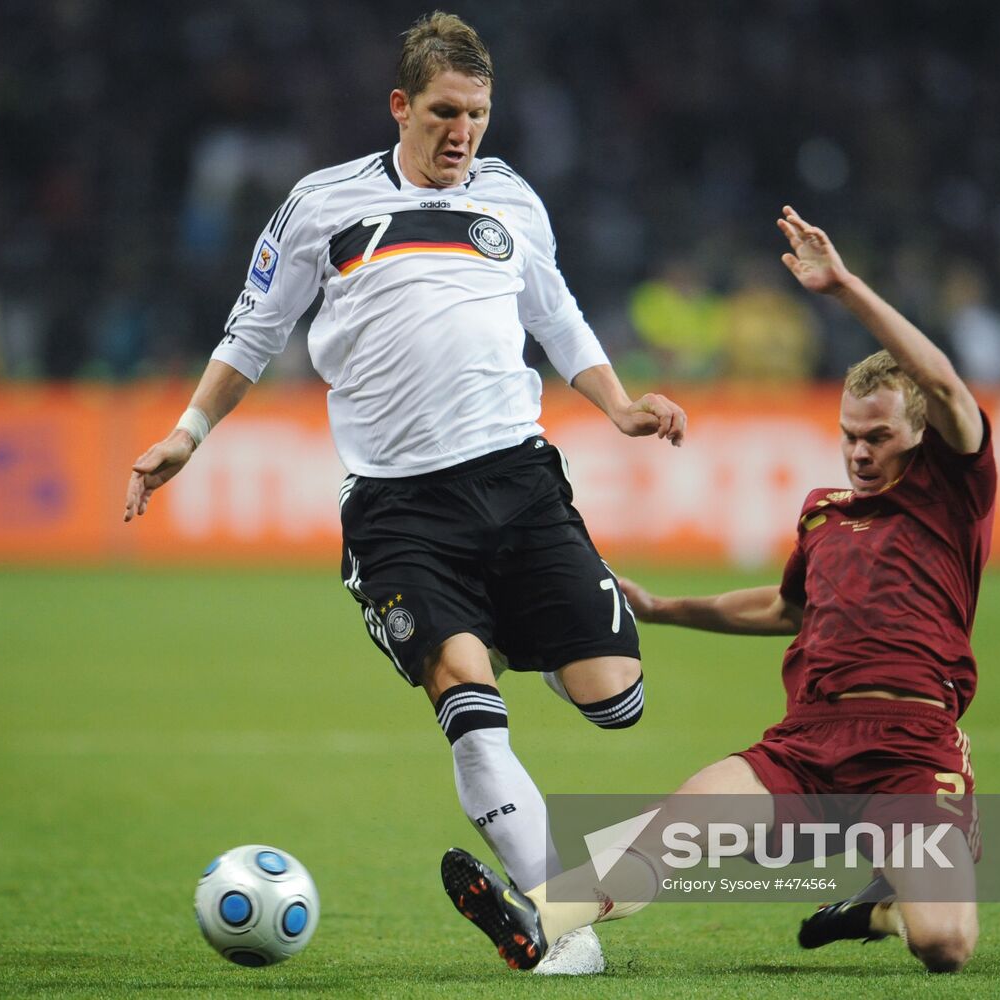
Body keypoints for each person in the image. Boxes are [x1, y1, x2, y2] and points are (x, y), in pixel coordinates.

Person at [122, 12, 686, 976]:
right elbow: (253, 327)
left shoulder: (511, 198)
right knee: (465, 698)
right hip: (398, 511)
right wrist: (188, 431)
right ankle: (564, 924)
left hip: (519, 481)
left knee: (616, 700)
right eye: (443, 113)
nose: (462, 132)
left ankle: (508, 634)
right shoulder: (322, 203)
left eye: (477, 114)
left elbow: (558, 315)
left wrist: (620, 405)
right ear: (401, 107)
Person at [441, 204, 994, 975]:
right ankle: (536, 915)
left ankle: (876, 906)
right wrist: (666, 610)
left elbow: (937, 376)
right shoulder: (823, 515)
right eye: (848, 435)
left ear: (921, 434)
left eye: (879, 438)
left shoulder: (951, 495)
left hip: (909, 750)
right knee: (679, 824)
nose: (859, 453)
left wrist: (842, 290)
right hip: (808, 744)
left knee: (944, 947)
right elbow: (785, 609)